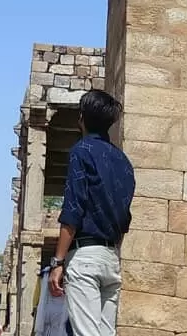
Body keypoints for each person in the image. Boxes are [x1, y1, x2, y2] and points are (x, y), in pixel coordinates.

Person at [48, 89, 135, 336]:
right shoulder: (123, 161)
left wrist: (58, 262)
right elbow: (124, 218)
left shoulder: (82, 151)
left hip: (85, 256)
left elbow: (73, 209)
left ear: (82, 118)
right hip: (110, 258)